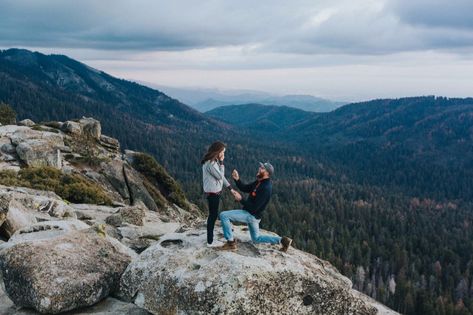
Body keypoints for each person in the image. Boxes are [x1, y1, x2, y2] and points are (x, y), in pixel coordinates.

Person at [219, 162, 292, 252]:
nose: (259, 168)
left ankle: (230, 243)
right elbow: (245, 188)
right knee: (256, 238)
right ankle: (282, 240)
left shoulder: (266, 188)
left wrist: (241, 199)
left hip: (251, 215)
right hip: (254, 216)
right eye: (260, 166)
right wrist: (237, 179)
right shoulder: (260, 182)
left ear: (267, 173)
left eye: (262, 168)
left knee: (224, 215)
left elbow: (254, 208)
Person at [201, 141, 235, 247]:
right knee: (213, 216)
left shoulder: (213, 161)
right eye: (223, 152)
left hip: (215, 192)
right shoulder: (210, 163)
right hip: (212, 193)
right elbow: (220, 176)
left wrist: (230, 188)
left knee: (213, 215)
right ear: (218, 151)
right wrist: (222, 162)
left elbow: (221, 177)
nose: (223, 154)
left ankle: (210, 239)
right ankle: (210, 241)